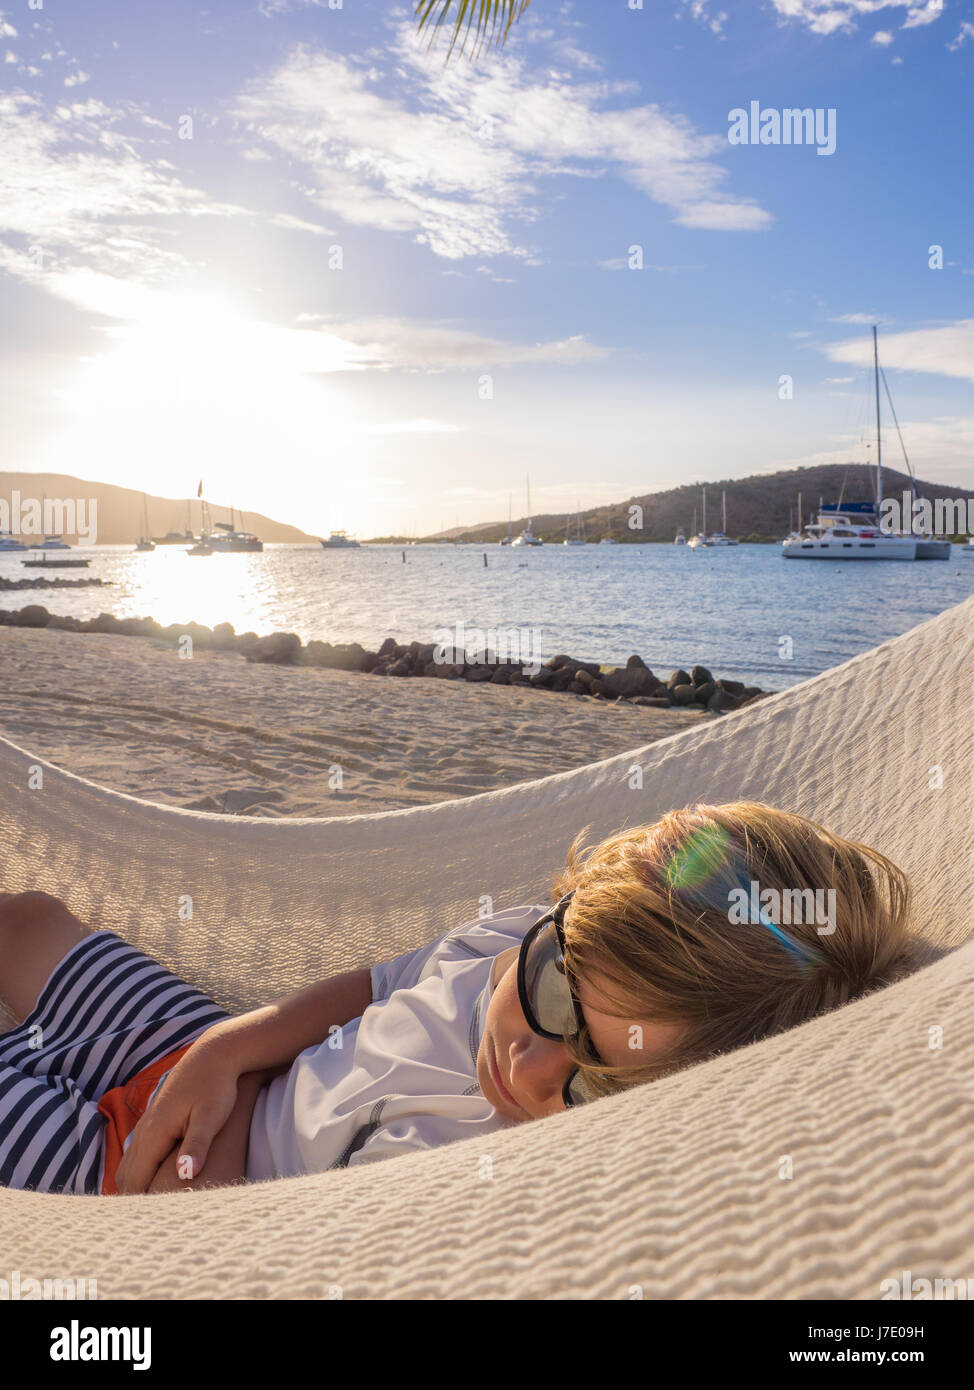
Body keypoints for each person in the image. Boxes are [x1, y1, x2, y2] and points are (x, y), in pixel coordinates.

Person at [0, 801, 918, 1197]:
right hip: (213, 1058)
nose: (529, 1064)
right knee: (30, 919)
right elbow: (370, 988)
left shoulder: (468, 1164)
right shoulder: (520, 932)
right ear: (565, 910)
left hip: (139, 1172)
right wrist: (228, 1050)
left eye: (589, 1082)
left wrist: (186, 1200)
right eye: (554, 993)